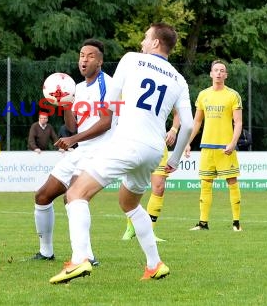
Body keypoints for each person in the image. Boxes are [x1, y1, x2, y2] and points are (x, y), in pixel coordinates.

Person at [49, 22, 193, 284]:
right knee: (130, 204)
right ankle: (154, 264)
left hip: (128, 141)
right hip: (153, 149)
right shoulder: (179, 79)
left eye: (146, 38)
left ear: (156, 43)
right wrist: (173, 159)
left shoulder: (132, 59)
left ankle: (80, 259)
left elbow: (110, 104)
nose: (142, 42)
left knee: (75, 194)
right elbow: (190, 125)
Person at [32, 39, 115, 264]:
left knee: (74, 198)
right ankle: (46, 252)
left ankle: (87, 256)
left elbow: (106, 122)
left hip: (99, 152)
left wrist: (73, 139)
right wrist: (65, 103)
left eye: (90, 56)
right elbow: (73, 126)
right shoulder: (76, 88)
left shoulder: (107, 85)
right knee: (42, 196)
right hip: (79, 151)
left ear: (100, 61)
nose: (84, 60)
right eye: (81, 55)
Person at [185, 60, 243, 232]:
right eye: (216, 70)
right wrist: (187, 142)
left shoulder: (233, 95)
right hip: (207, 147)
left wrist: (233, 143)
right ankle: (203, 223)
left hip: (226, 148)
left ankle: (236, 223)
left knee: (232, 182)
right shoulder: (203, 95)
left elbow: (238, 123)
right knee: (205, 183)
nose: (218, 73)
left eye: (222, 70)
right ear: (211, 74)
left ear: (226, 75)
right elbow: (197, 122)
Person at [121, 111, 181, 242]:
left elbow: (178, 113)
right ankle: (130, 228)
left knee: (159, 187)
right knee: (133, 186)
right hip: (136, 143)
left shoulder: (166, 90)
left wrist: (174, 130)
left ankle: (150, 232)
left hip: (158, 144)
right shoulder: (130, 90)